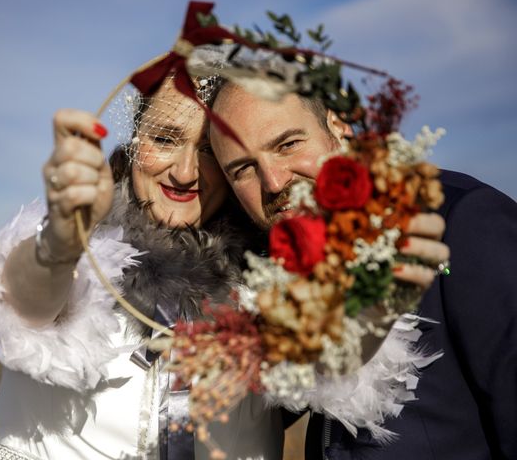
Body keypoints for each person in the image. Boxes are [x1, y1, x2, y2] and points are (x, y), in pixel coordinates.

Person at [0, 76, 284, 460]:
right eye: (165, 139)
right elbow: (24, 307)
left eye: (208, 150)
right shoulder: (81, 246)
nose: (185, 173)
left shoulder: (273, 277)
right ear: (135, 142)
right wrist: (61, 241)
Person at [208, 82, 517, 459]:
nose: (274, 181)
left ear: (337, 127)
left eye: (288, 144)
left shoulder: (461, 223)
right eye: (243, 169)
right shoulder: (287, 279)